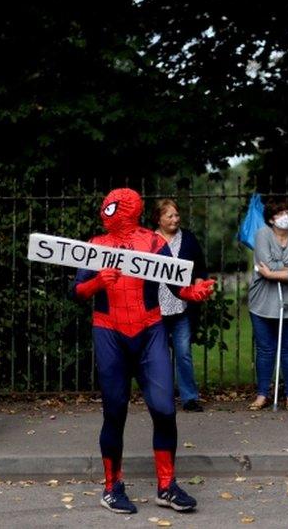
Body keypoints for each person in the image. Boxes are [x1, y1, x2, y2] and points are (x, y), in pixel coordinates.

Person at [72, 188, 215, 515]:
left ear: (125, 209)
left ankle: (167, 486)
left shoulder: (154, 243)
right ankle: (112, 487)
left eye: (110, 207)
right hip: (108, 331)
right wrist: (97, 283)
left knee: (165, 409)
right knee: (115, 411)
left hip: (150, 331)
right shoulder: (96, 246)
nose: (105, 212)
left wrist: (193, 292)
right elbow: (76, 290)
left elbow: (176, 284)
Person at [248, 198, 288, 411]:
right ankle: (262, 394)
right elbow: (263, 264)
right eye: (278, 214)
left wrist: (274, 272)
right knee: (265, 350)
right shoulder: (262, 235)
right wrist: (286, 268)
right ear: (270, 219)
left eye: (286, 212)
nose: (284, 217)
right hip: (263, 302)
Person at [153, 199, 208, 412]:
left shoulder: (189, 239)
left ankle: (189, 397)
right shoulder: (149, 239)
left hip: (181, 306)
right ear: (159, 218)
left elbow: (200, 269)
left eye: (177, 215)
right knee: (158, 356)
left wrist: (198, 289)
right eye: (170, 216)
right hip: (155, 307)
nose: (175, 219)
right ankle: (161, 398)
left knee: (183, 352)